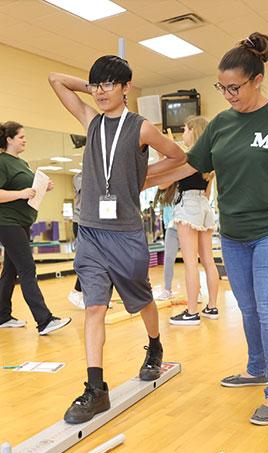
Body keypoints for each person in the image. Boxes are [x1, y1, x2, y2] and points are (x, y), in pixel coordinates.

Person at [146, 32, 268, 425]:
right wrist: (139, 180)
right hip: (235, 232)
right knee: (247, 309)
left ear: (257, 79)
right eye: (222, 87)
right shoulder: (222, 124)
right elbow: (188, 164)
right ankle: (256, 367)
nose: (228, 95)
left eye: (235, 87)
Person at [49, 55, 186, 424]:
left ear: (127, 87)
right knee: (94, 307)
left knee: (141, 298)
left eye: (110, 84)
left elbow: (178, 157)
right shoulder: (90, 120)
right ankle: (96, 389)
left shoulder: (141, 128)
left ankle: (154, 346)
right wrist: (93, 85)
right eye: (97, 85)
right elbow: (55, 78)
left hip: (125, 233)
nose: (100, 92)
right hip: (91, 231)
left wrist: (142, 176)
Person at [0, 121, 71, 336]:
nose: (25, 140)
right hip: (7, 222)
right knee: (27, 268)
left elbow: (28, 189)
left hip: (21, 222)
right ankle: (44, 320)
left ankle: (2, 316)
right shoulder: (0, 163)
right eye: (21, 137)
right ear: (9, 140)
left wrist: (43, 187)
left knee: (11, 270)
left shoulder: (21, 163)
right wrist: (20, 193)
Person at [167, 115, 219, 325]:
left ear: (193, 132)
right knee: (208, 260)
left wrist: (167, 160)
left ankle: (191, 311)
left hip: (188, 206)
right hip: (204, 206)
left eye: (186, 130)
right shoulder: (209, 159)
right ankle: (212, 307)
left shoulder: (187, 158)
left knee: (190, 262)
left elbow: (163, 185)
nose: (183, 134)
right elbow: (206, 194)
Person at [153, 183, 179, 301]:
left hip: (185, 225)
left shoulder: (179, 187)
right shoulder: (163, 191)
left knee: (191, 260)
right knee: (168, 258)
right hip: (171, 228)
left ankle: (197, 290)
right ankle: (167, 289)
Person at [67, 170, 85, 309]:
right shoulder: (79, 177)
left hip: (94, 222)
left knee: (99, 259)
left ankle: (95, 296)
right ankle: (76, 291)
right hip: (80, 223)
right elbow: (88, 192)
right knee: (86, 259)